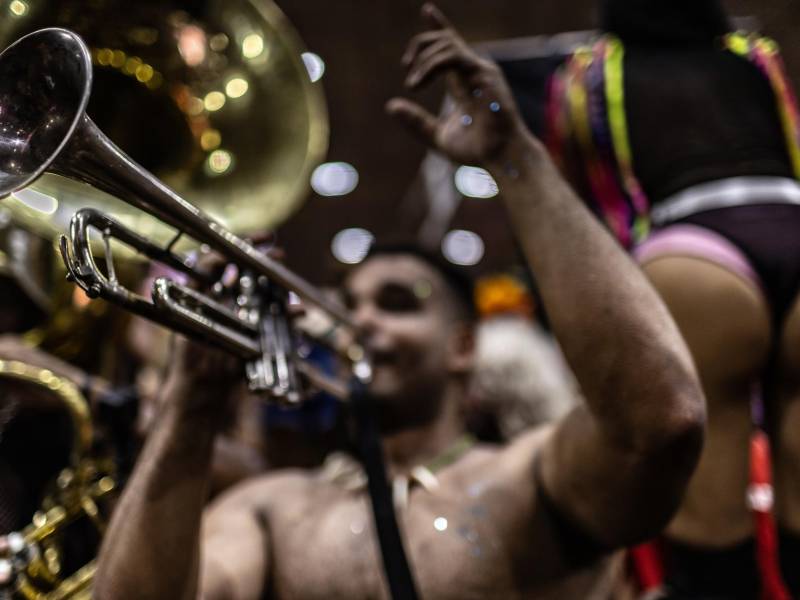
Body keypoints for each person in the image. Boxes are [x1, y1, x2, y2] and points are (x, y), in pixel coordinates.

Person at [91, 5, 705, 599]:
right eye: (351, 301)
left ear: (464, 346)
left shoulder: (531, 473)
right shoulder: (273, 508)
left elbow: (660, 422)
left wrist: (514, 157)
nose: (360, 320)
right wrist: (190, 404)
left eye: (397, 303)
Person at [545, 1, 800, 595]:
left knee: (710, 522)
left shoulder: (587, 74)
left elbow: (589, 200)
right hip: (792, 220)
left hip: (695, 249)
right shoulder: (755, 57)